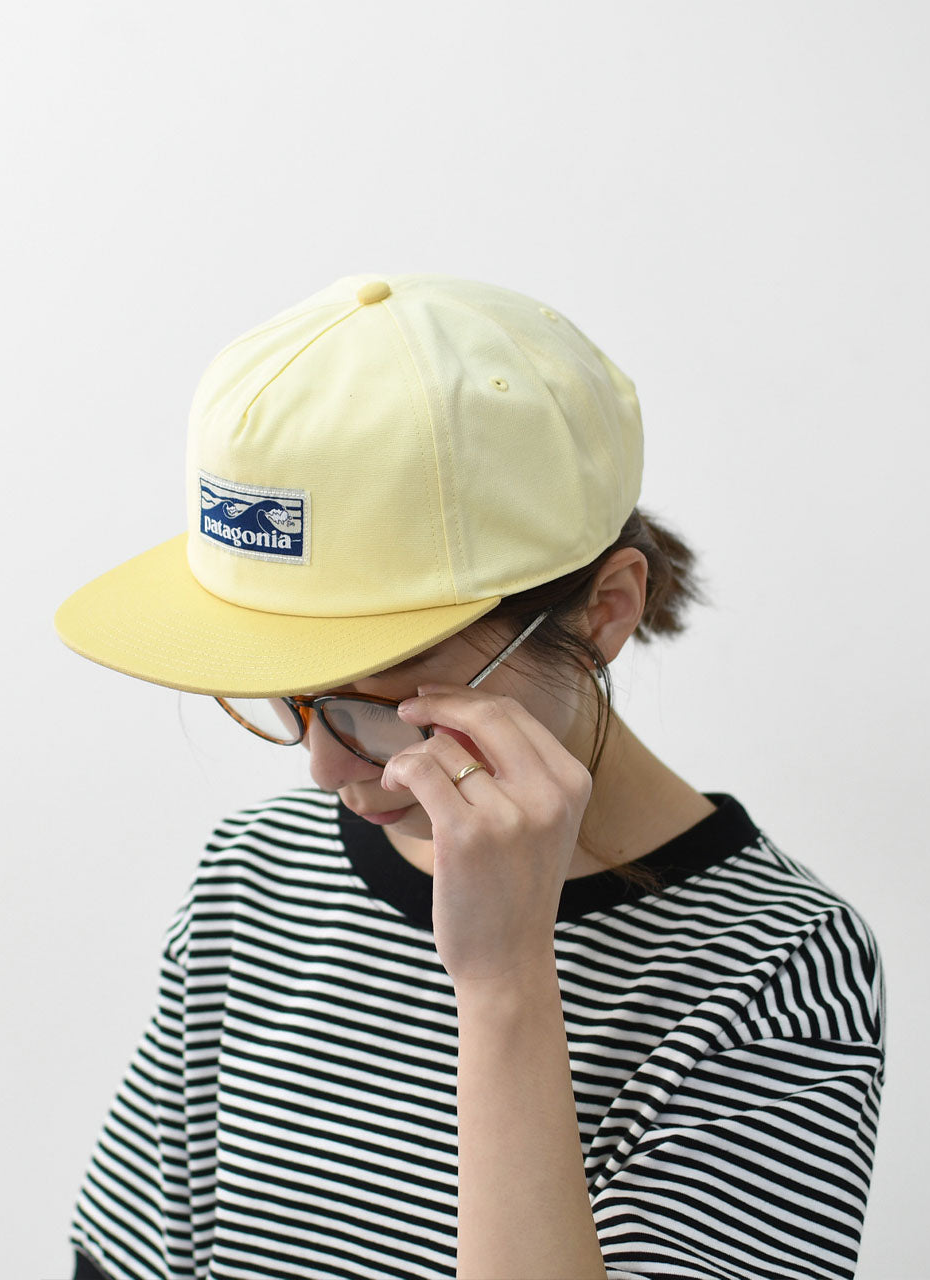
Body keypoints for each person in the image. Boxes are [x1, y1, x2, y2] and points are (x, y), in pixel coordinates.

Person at [54, 273, 887, 1280]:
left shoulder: (772, 969)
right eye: (287, 694)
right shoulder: (258, 872)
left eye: (378, 702)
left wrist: (503, 986)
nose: (324, 769)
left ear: (604, 611)